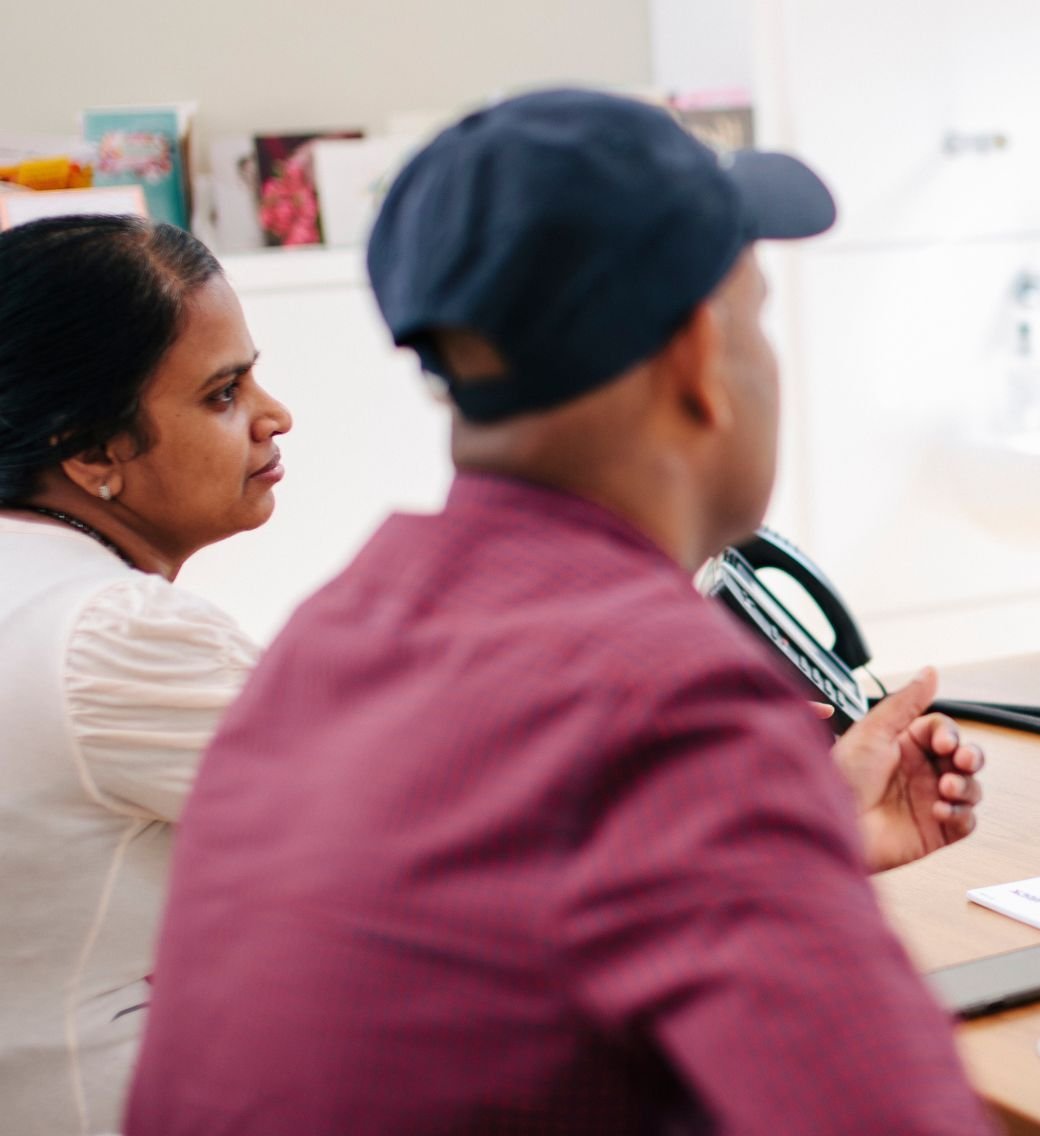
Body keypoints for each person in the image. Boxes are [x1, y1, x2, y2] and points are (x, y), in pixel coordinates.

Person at [128, 90, 996, 1135]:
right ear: (693, 360)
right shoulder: (666, 698)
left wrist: (799, 838)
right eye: (755, 317)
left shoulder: (337, 633)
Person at [0, 215, 292, 1134]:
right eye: (222, 394)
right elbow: (404, 847)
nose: (274, 416)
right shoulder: (113, 635)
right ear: (91, 452)